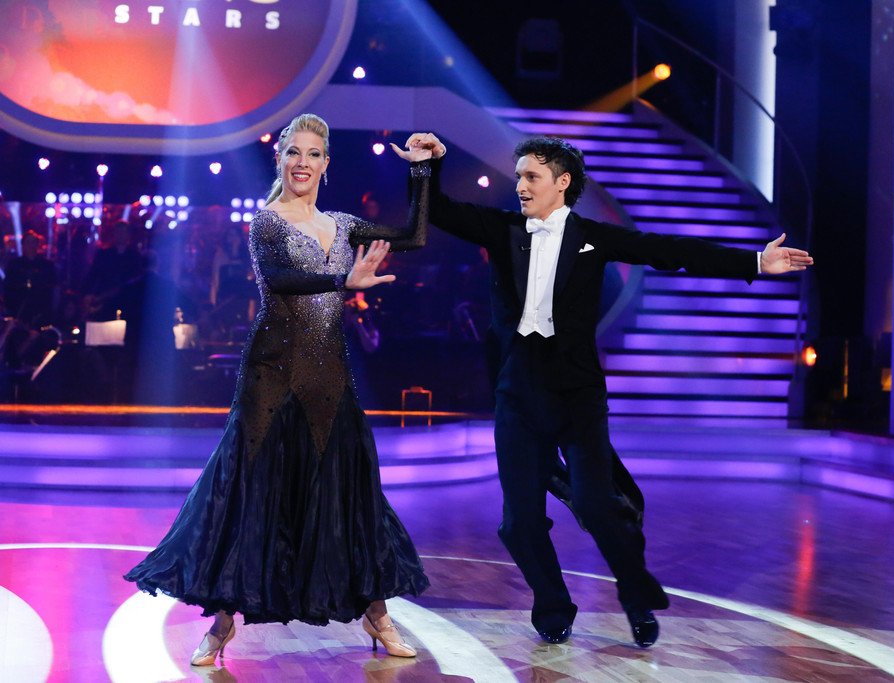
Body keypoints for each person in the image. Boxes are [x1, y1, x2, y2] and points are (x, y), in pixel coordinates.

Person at [392, 133, 813, 648]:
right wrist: (425, 166)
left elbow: (669, 251)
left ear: (562, 182)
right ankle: (553, 605)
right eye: (519, 175)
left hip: (577, 396)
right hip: (518, 393)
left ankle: (636, 596)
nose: (520, 185)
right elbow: (437, 211)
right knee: (518, 523)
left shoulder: (593, 237)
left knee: (597, 506)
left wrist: (753, 262)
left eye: (531, 176)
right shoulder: (504, 230)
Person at [125, 113, 432, 666]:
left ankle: (378, 615)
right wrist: (343, 280)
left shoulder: (343, 224)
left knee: (349, 494)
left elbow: (413, 235)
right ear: (280, 158)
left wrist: (422, 171)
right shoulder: (266, 222)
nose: (302, 163)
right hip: (271, 373)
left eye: (313, 154)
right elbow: (282, 279)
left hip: (328, 376)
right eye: (294, 152)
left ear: (326, 164)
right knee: (249, 493)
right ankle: (221, 624)